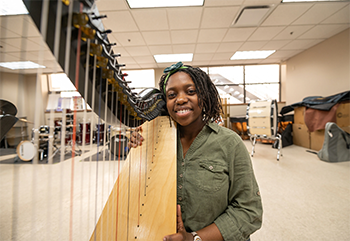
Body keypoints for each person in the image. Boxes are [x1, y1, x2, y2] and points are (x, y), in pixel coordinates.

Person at [128, 62, 262, 241]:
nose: (181, 99)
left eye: (190, 91)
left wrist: (194, 238)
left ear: (204, 96)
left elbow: (249, 212)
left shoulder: (230, 143)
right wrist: (138, 148)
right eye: (172, 95)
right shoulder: (155, 141)